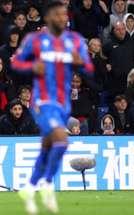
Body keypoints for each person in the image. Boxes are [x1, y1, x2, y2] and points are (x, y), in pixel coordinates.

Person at [11, 1, 94, 214]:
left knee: (48, 146)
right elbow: (16, 62)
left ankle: (29, 188)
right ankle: (47, 184)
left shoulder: (74, 40)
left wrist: (81, 63)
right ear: (47, 17)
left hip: (63, 104)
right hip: (42, 101)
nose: (62, 18)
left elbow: (91, 69)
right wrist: (31, 66)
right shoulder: (35, 39)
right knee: (62, 139)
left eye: (64, 14)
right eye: (57, 14)